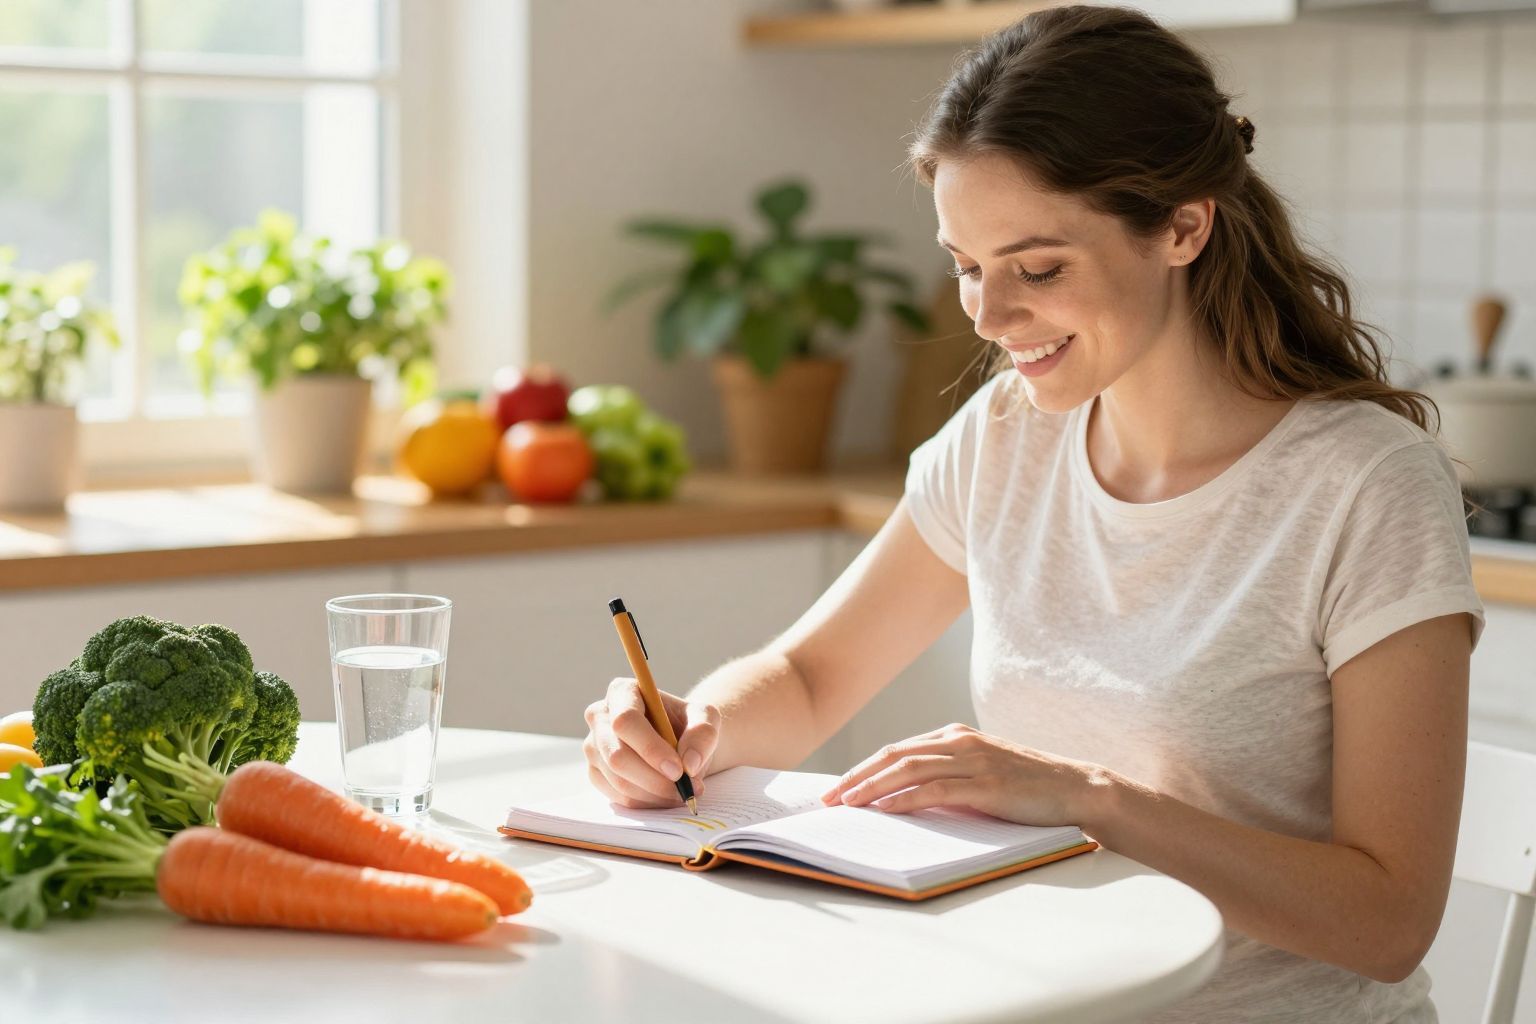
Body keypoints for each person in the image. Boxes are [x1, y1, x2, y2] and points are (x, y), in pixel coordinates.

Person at [581, 6, 1485, 1020]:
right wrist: (694, 727)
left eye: (1037, 267)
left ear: (1185, 226)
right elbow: (807, 674)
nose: (986, 314)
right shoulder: (1010, 434)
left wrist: (1085, 795)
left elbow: (1389, 916)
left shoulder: (1366, 488)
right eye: (966, 264)